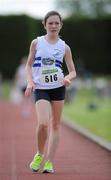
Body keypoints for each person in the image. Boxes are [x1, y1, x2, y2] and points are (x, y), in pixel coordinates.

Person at [25, 10, 76, 173]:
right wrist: (30, 81)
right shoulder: (36, 43)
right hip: (41, 88)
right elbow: (28, 65)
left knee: (55, 125)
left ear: (61, 25)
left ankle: (49, 162)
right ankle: (39, 154)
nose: (53, 26)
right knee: (43, 123)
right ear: (44, 25)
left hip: (58, 88)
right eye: (50, 23)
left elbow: (73, 71)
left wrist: (68, 78)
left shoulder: (64, 47)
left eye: (56, 23)